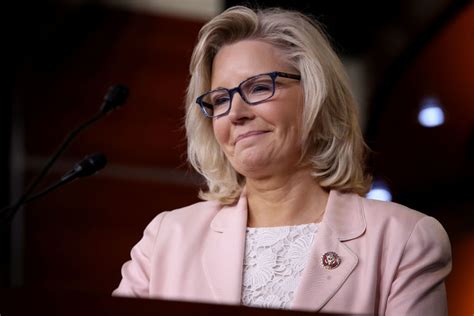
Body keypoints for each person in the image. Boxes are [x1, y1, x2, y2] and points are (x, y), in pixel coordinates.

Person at [113, 6, 452, 315]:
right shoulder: (166, 239)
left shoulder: (405, 238)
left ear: (316, 96)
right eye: (220, 99)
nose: (236, 114)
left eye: (259, 87)